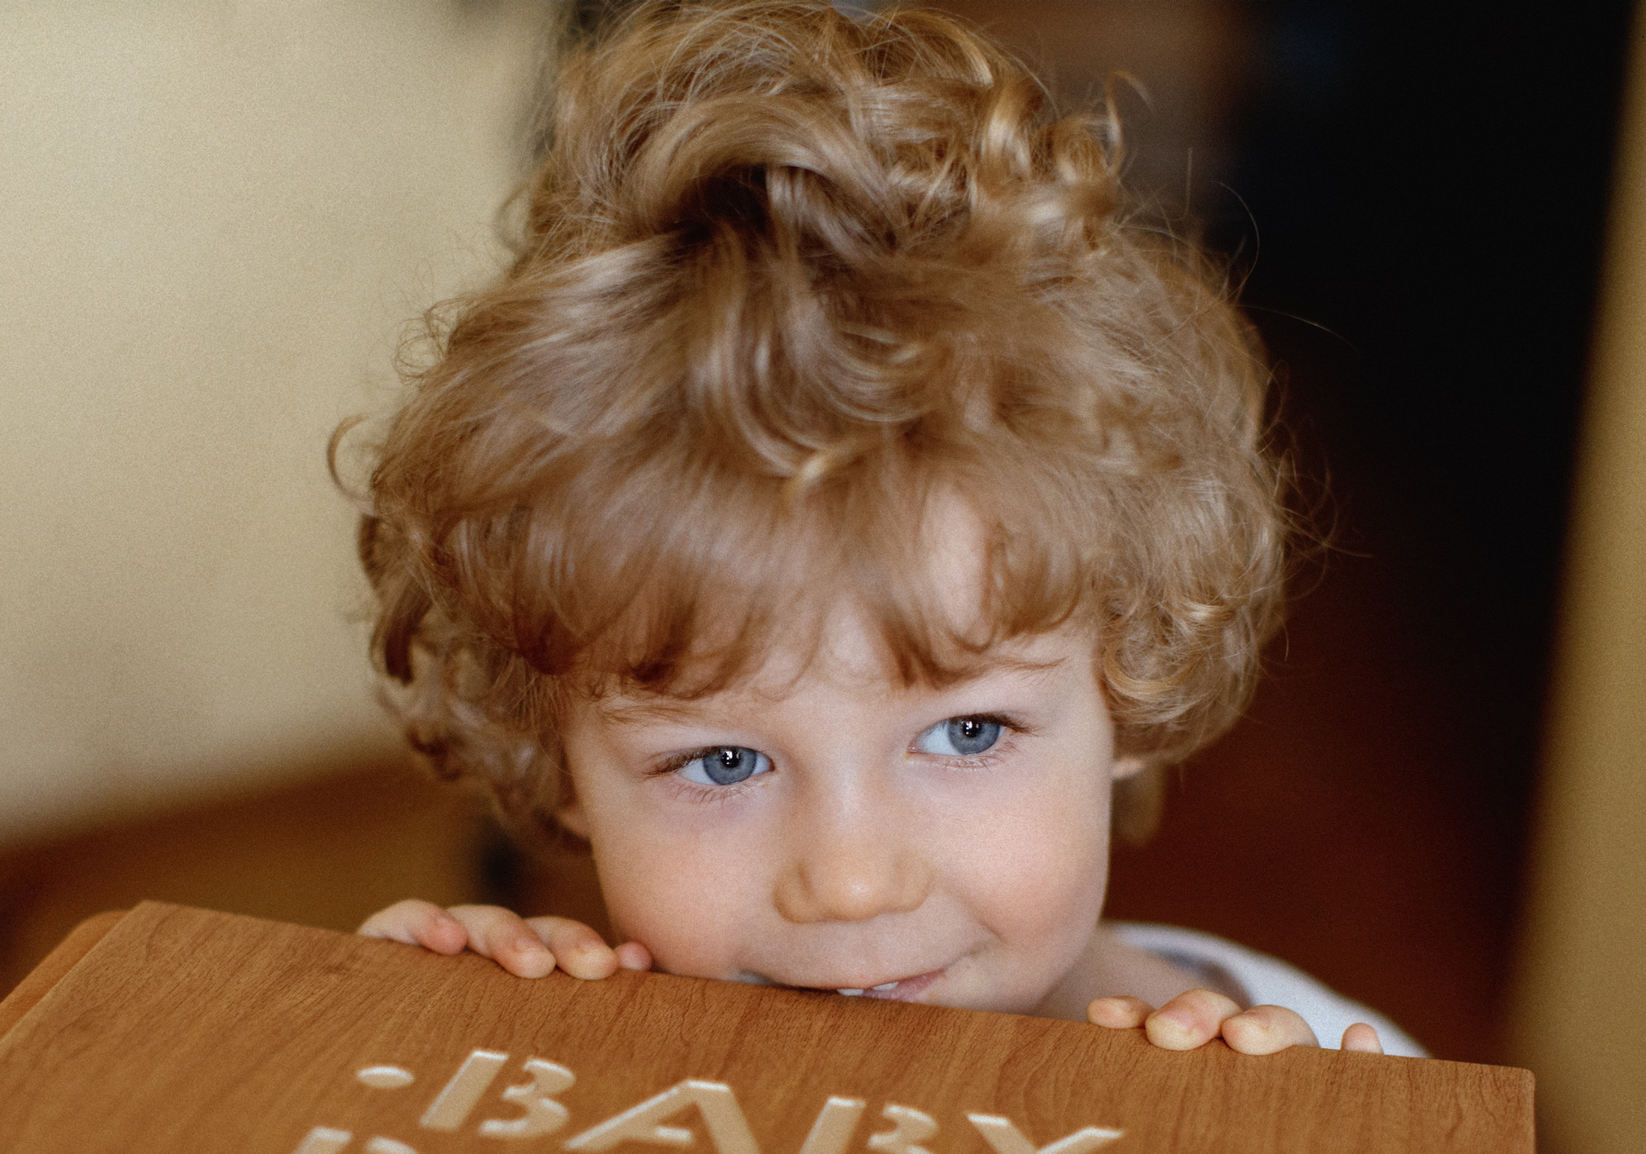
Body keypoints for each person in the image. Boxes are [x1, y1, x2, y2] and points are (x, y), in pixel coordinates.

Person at [344, 0, 1413, 1058]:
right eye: (720, 761)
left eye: (967, 733)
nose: (851, 885)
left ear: (1128, 684)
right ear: (556, 764)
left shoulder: (1316, 1059)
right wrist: (441, 1058)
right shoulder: (565, 1072)